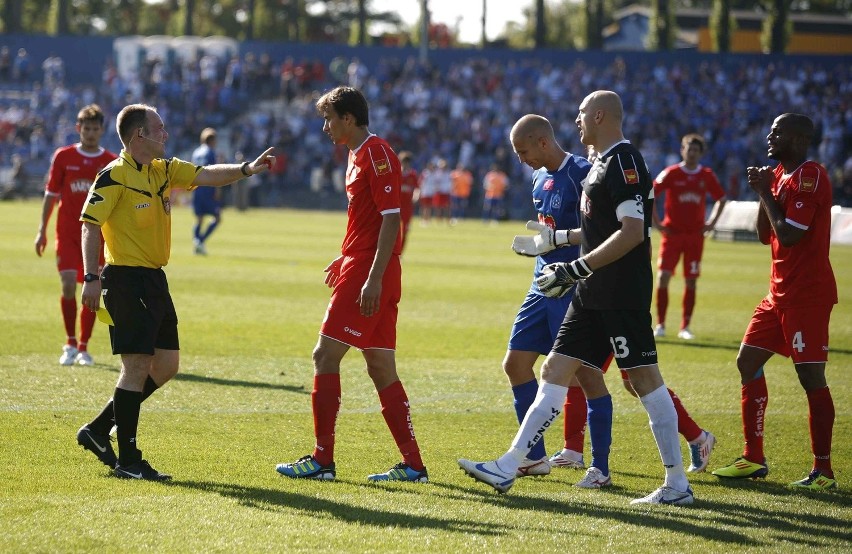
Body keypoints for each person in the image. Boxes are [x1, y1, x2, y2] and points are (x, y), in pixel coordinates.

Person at [459, 90, 693, 505]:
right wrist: (554, 242)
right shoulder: (602, 164)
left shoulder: (623, 160)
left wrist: (577, 267)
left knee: (643, 380)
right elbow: (599, 229)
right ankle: (510, 464)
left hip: (619, 290)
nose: (577, 119)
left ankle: (676, 484)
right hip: (590, 291)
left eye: (583, 113)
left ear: (600, 115)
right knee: (553, 370)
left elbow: (633, 232)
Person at [76, 103, 274, 480]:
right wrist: (90, 278)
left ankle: (99, 430)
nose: (166, 134)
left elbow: (208, 175)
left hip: (154, 280)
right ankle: (128, 460)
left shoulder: (163, 170)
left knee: (166, 366)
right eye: (160, 128)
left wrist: (247, 169)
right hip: (125, 278)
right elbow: (89, 226)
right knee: (135, 366)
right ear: (140, 136)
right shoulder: (113, 176)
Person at [275, 86, 428, 483]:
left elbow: (392, 219)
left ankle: (322, 459)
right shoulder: (355, 154)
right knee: (380, 366)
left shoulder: (376, 153)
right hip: (362, 264)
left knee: (324, 356)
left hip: (370, 271)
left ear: (348, 118)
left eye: (329, 118)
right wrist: (346, 254)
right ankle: (414, 465)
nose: (325, 127)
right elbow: (369, 219)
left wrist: (370, 276)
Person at [712, 113, 838, 490]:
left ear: (798, 139)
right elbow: (767, 235)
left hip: (807, 295)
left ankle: (823, 471)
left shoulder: (810, 176)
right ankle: (754, 458)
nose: (769, 136)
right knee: (747, 361)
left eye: (778, 131)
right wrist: (763, 190)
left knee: (810, 376)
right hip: (778, 293)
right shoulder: (781, 175)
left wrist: (767, 191)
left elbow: (793, 235)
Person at [504, 114, 614, 488]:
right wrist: (541, 246)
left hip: (574, 288)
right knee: (516, 365)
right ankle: (534, 458)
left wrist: (561, 240)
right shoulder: (538, 177)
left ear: (543, 142)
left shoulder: (582, 173)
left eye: (523, 151)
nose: (521, 159)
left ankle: (600, 467)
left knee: (586, 377)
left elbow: (605, 232)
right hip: (541, 286)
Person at [34, 104, 117, 366]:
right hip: (68, 234)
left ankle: (84, 348)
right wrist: (42, 231)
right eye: (86, 128)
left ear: (102, 130)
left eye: (95, 128)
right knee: (69, 284)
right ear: (78, 129)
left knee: (91, 292)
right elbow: (51, 195)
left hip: (97, 238)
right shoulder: (63, 157)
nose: (91, 133)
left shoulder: (111, 162)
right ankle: (69, 342)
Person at [652, 133, 727, 340]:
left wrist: (711, 223)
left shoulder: (706, 175)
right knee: (663, 277)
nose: (692, 153)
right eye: (688, 149)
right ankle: (660, 324)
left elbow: (721, 198)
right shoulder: (671, 173)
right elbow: (650, 193)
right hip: (672, 234)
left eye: (696, 150)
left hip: (694, 236)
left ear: (701, 153)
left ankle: (685, 326)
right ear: (682, 150)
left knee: (691, 281)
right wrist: (657, 222)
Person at [190, 127, 223, 255]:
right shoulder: (211, 153)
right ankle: (200, 241)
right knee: (217, 218)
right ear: (212, 140)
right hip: (208, 190)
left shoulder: (196, 152)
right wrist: (218, 190)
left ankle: (197, 242)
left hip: (197, 190)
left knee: (199, 219)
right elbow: (216, 173)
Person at [398, 151, 420, 252]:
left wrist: (416, 196)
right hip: (396, 206)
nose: (406, 165)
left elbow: (417, 188)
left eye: (407, 162)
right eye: (404, 162)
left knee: (405, 231)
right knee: (393, 230)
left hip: (407, 207)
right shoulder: (396, 173)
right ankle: (392, 251)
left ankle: (400, 253)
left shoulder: (412, 175)